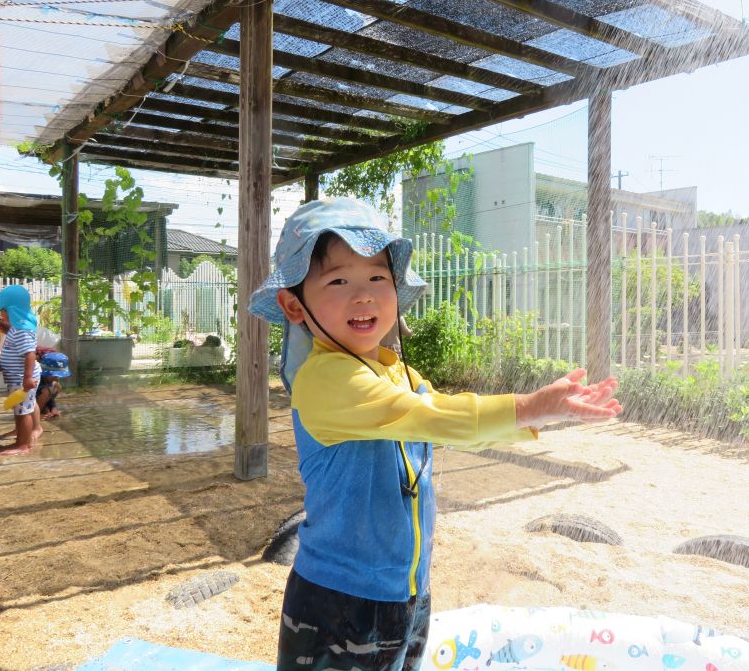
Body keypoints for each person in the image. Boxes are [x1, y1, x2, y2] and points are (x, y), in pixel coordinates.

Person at [248, 198, 621, 671]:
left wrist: (538, 418)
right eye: (339, 280)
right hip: (339, 601)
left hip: (406, 592)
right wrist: (529, 406)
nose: (363, 295)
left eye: (377, 278)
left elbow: (455, 428)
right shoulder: (326, 381)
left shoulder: (397, 372)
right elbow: (436, 415)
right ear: (293, 305)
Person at [0, 285, 42, 455]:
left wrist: (27, 378)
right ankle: (20, 437)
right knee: (22, 409)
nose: (1, 315)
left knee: (23, 411)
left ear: (11, 311)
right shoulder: (19, 327)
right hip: (17, 377)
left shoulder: (22, 331)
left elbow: (30, 354)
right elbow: (10, 331)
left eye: (2, 311)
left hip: (21, 378)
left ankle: (23, 445)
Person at [36, 352, 70, 419]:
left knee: (56, 386)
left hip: (36, 399)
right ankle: (35, 415)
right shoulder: (36, 377)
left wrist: (53, 407)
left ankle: (43, 409)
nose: (56, 377)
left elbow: (50, 395)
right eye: (54, 375)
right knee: (47, 390)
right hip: (26, 402)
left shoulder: (50, 379)